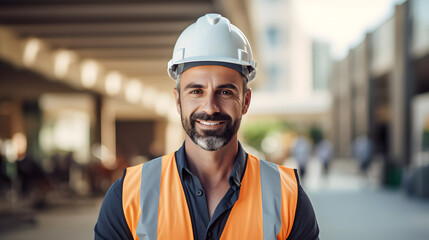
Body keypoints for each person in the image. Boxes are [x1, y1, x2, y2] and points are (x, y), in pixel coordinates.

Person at [95, 14, 319, 240]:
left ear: (246, 102)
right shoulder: (128, 195)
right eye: (196, 91)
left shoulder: (287, 196)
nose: (210, 107)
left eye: (225, 92)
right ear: (178, 100)